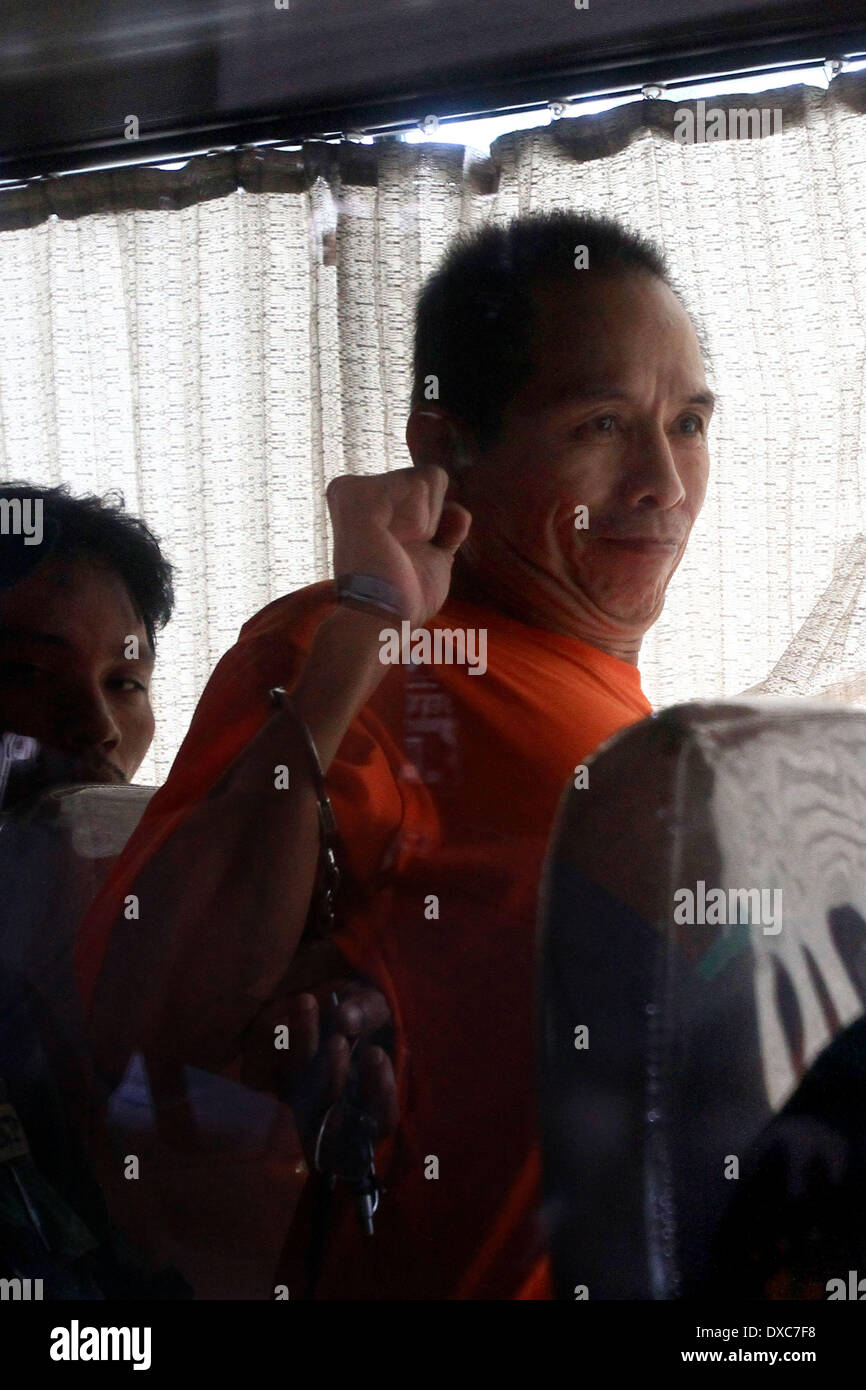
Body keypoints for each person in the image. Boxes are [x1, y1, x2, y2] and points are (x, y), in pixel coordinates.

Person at [77, 210, 715, 1298]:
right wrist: (366, 624)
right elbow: (148, 1026)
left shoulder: (606, 698)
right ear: (442, 450)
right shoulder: (361, 654)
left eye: (687, 422)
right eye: (600, 423)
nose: (661, 478)